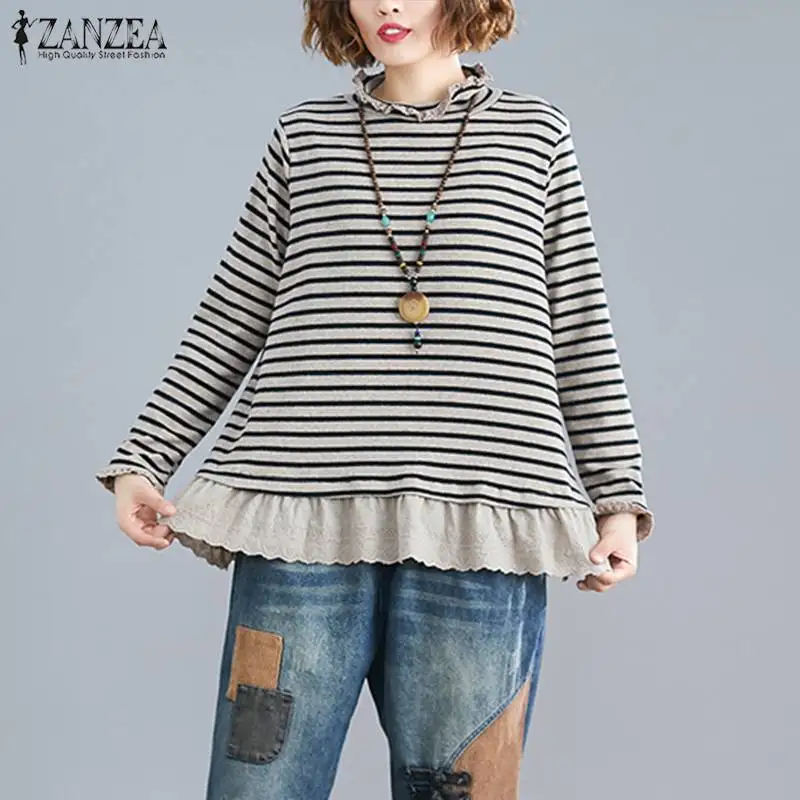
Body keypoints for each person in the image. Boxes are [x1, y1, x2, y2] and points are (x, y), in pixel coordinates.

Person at [95, 1, 655, 797]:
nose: (388, 4)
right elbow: (233, 314)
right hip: (299, 522)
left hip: (482, 527)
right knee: (260, 785)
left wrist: (618, 499)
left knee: (459, 791)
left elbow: (579, 325)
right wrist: (142, 459)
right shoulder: (305, 138)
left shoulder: (535, 137)